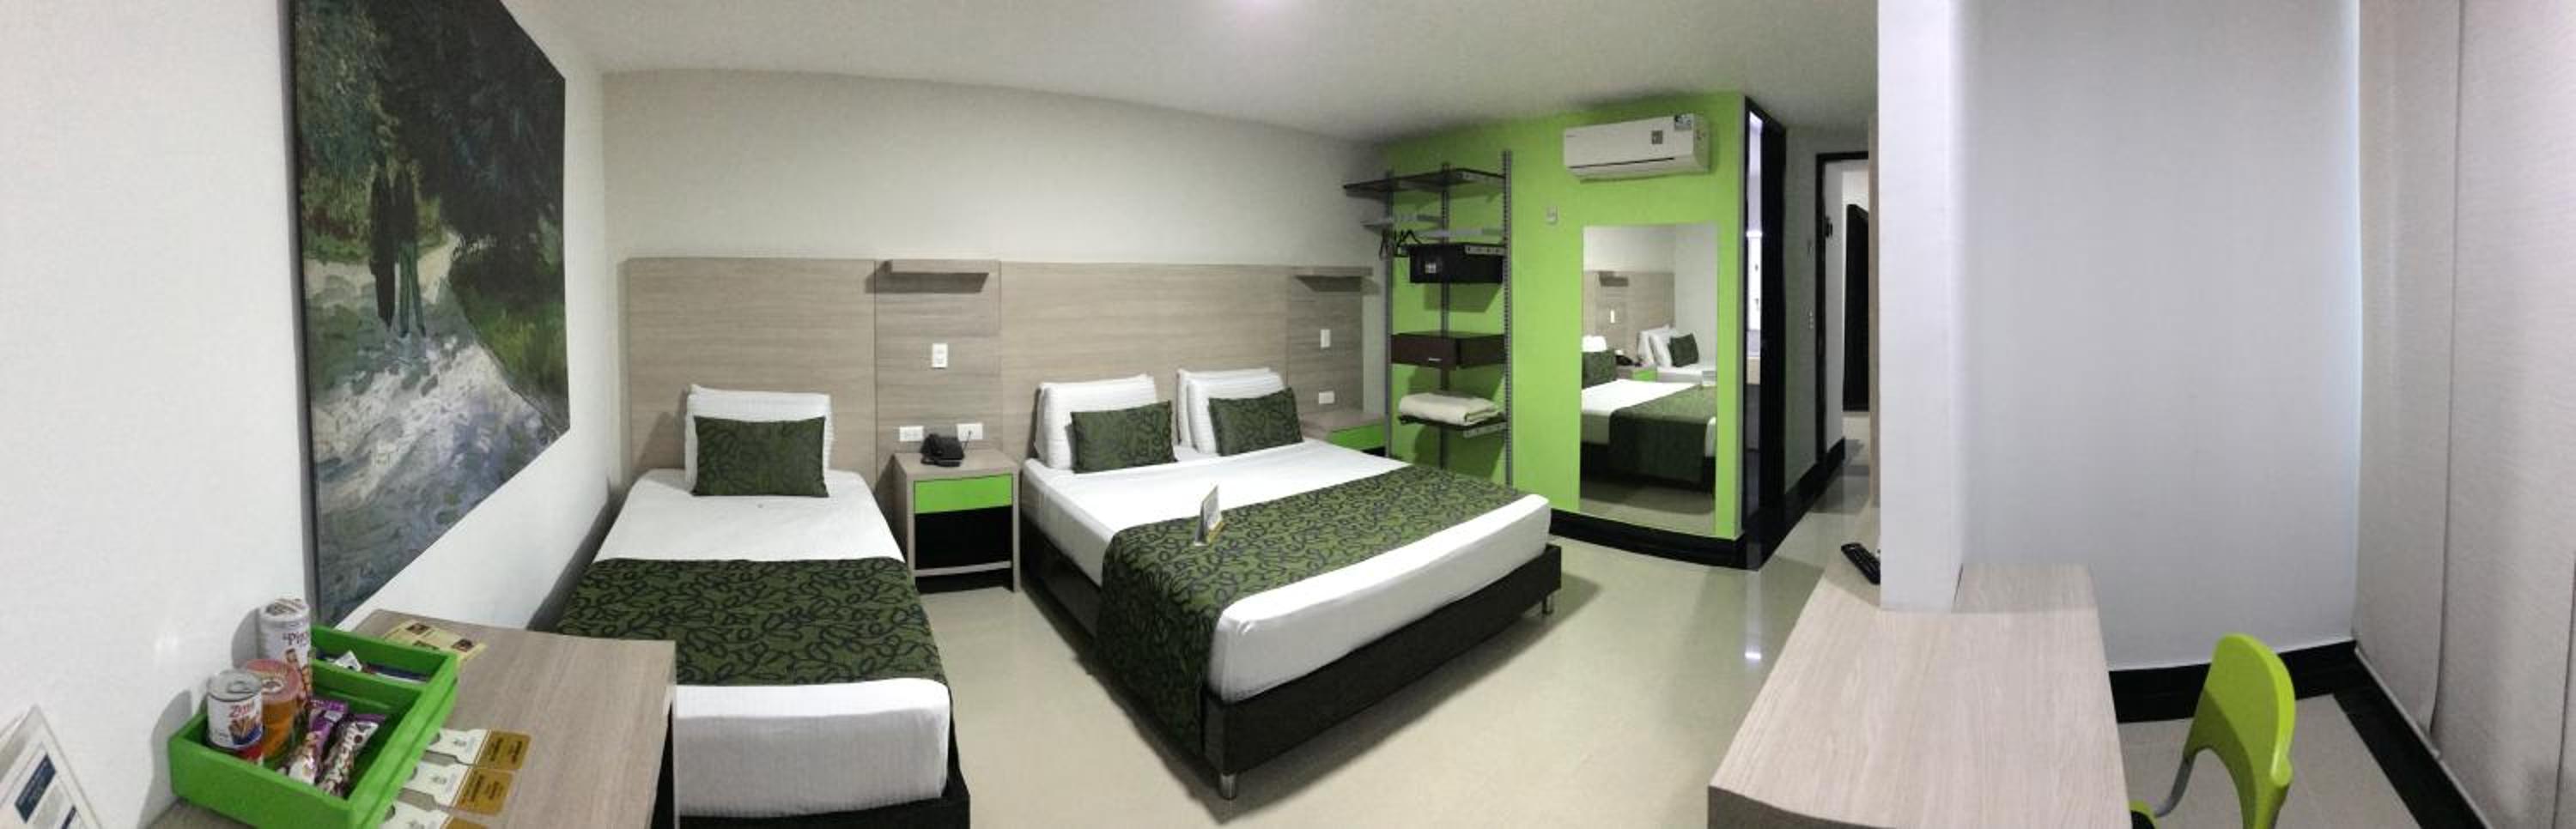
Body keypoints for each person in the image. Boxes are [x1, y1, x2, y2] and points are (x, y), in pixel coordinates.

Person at [388, 161, 425, 339]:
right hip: (405, 241)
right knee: (407, 285)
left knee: (411, 284)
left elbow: (413, 219)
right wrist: (397, 246)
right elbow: (397, 222)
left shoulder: (405, 190)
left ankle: (418, 324)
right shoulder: (402, 193)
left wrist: (413, 241)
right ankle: (408, 326)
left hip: (408, 240)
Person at [367, 161, 398, 330]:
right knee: (382, 278)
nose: (383, 171)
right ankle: (385, 314)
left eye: (382, 169)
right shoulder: (379, 186)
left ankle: (388, 313)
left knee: (388, 277)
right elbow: (373, 213)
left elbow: (386, 213)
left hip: (386, 240)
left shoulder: (385, 187)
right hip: (381, 239)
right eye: (382, 169)